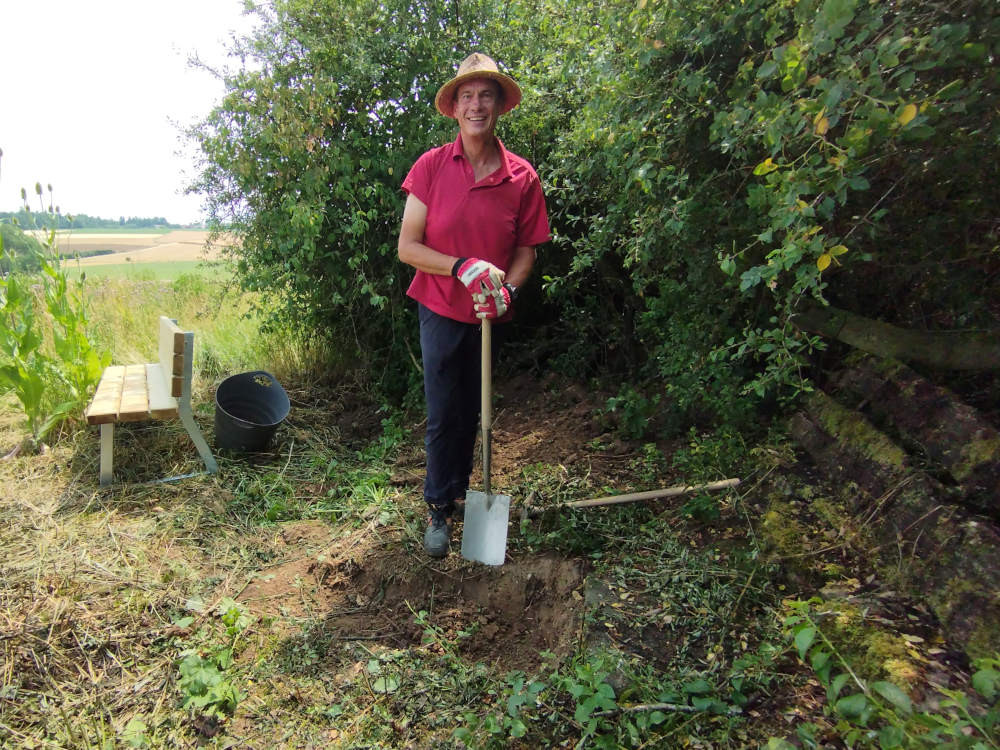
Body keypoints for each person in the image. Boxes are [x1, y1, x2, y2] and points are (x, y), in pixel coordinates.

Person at [397, 52, 550, 558]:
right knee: (444, 410)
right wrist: (461, 266)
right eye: (467, 96)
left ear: (500, 105)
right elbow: (408, 247)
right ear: (455, 107)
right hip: (440, 304)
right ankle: (438, 507)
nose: (477, 105)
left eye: (486, 95)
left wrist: (507, 290)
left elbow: (525, 252)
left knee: (474, 408)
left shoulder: (521, 177)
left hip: (489, 312)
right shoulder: (432, 167)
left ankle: (464, 492)